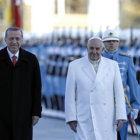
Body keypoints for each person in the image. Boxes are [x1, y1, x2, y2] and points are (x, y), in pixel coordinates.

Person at [65, 36, 127, 140]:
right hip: (84, 119)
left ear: (102, 49)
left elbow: (119, 93)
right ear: (87, 48)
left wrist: (120, 115)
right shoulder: (74, 66)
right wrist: (71, 118)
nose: (94, 51)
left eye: (97, 49)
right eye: (91, 48)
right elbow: (70, 95)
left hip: (107, 119)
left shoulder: (113, 66)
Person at [0, 27, 42, 140]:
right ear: (5, 40)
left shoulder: (31, 60)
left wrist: (36, 112)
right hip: (2, 115)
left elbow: (37, 88)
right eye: (11, 38)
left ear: (22, 40)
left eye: (17, 38)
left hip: (24, 115)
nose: (14, 42)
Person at [102, 29, 140, 140]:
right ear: (103, 43)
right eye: (108, 41)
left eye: (114, 41)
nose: (111, 43)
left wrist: (136, 106)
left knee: (121, 137)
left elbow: (133, 84)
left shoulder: (126, 59)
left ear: (118, 42)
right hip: (102, 106)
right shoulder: (98, 58)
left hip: (122, 106)